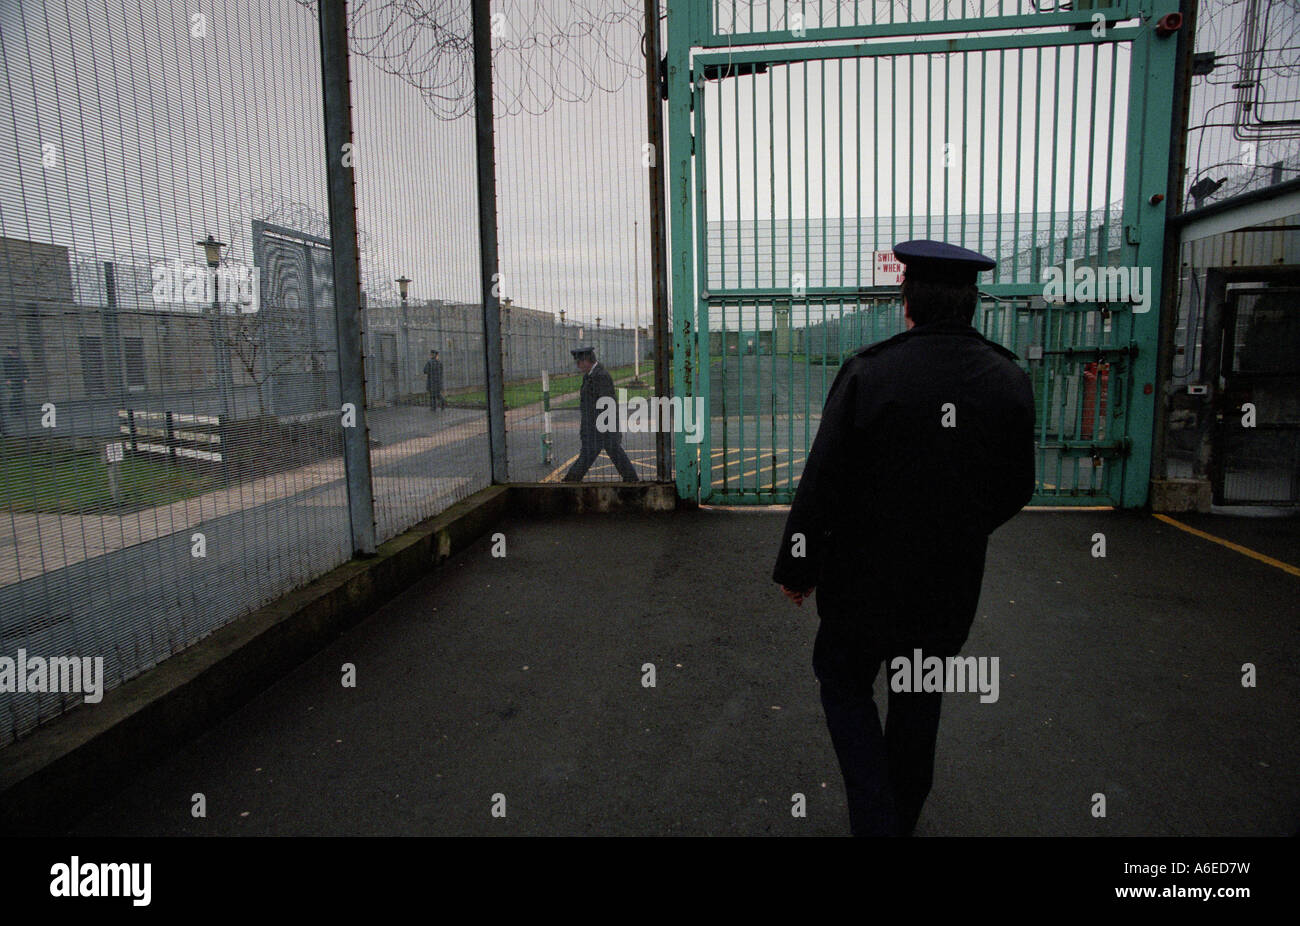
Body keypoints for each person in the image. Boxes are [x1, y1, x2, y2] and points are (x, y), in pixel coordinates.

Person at [772, 240, 1036, 837]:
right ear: (974, 302)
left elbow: (824, 481)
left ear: (906, 299)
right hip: (947, 587)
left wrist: (798, 566)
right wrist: (960, 528)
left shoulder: (871, 371)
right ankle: (898, 820)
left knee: (843, 682)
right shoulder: (1008, 379)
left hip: (861, 583)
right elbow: (1017, 486)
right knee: (919, 702)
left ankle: (875, 817)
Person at [563, 346, 639, 483]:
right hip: (597, 427)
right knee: (609, 455)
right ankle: (633, 481)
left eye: (579, 362)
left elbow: (607, 404)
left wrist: (600, 428)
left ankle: (569, 482)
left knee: (591, 455)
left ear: (587, 360)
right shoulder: (591, 375)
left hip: (601, 428)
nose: (578, 366)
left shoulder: (601, 376)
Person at [2, 345, 27, 435]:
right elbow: (4, 370)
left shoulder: (20, 360)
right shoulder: (5, 360)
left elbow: (25, 369)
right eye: (12, 351)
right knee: (13, 395)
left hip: (19, 381)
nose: (14, 352)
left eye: (15, 351)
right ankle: (13, 410)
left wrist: (26, 378)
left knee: (19, 395)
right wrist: (7, 379)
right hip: (11, 381)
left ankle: (18, 410)